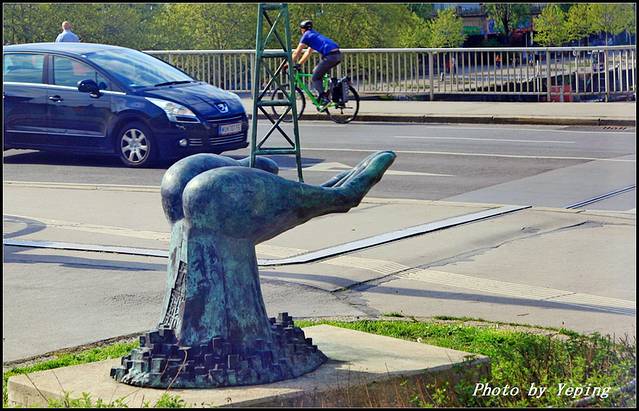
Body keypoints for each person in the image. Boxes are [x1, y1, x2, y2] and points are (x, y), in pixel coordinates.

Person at [291, 20, 341, 106]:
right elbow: (308, 52)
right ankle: (329, 91)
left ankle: (324, 98)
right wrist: (299, 63)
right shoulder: (314, 34)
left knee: (315, 76)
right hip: (337, 55)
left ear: (302, 29)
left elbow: (296, 52)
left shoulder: (306, 35)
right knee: (319, 73)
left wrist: (287, 64)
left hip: (330, 56)